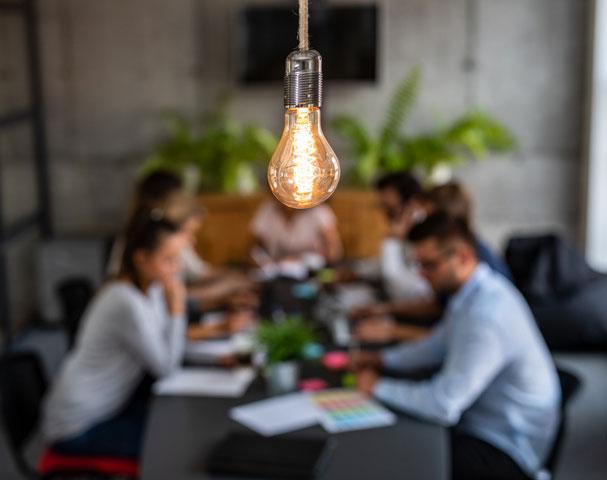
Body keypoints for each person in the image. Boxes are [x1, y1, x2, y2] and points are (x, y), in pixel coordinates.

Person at [352, 212, 561, 480]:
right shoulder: (474, 292)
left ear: (462, 256)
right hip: (484, 422)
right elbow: (438, 344)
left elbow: (443, 405)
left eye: (429, 265)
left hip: (505, 448)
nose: (422, 275)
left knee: (394, 459)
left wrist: (376, 386)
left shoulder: (487, 316)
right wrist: (384, 360)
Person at [43, 208, 187, 459]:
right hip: (77, 427)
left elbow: (164, 342)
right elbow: (166, 367)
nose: (175, 269)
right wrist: (177, 310)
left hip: (107, 409)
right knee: (173, 446)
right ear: (142, 257)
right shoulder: (125, 301)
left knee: (178, 426)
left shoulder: (148, 289)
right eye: (168, 259)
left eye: (177, 259)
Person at [250, 198, 343, 265]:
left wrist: (320, 257)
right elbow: (252, 248)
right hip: (275, 276)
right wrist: (261, 261)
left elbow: (335, 251)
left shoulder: (319, 212)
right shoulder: (268, 210)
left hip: (311, 275)